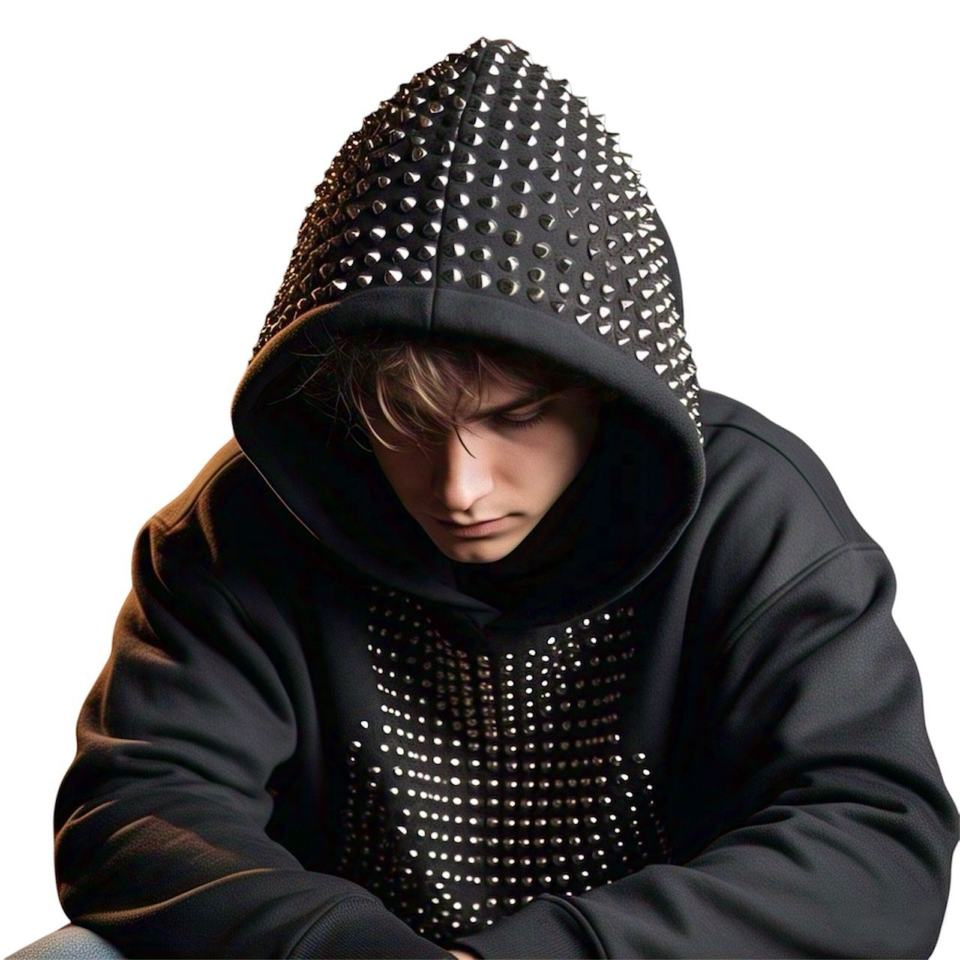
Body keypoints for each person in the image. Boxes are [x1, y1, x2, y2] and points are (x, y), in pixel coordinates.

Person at [51, 35, 958, 960]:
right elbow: (141, 810)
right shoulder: (241, 524)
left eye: (518, 416)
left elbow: (875, 842)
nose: (460, 486)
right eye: (404, 421)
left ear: (608, 394)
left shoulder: (755, 513)